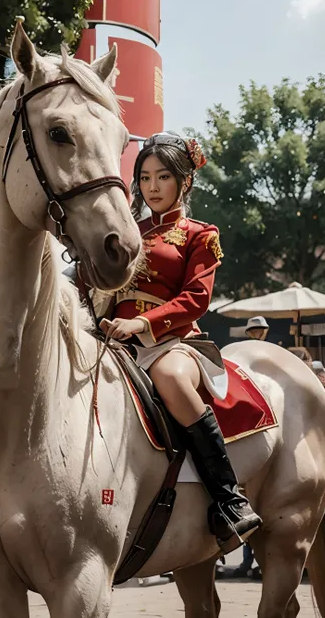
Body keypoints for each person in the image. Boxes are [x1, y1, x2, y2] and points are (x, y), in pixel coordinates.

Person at [96, 132, 261, 553]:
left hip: (174, 343)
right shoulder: (126, 230)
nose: (152, 187)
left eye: (162, 177)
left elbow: (196, 299)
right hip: (115, 338)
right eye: (145, 177)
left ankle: (228, 496)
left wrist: (141, 325)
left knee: (169, 377)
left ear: (183, 182)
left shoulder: (200, 234)